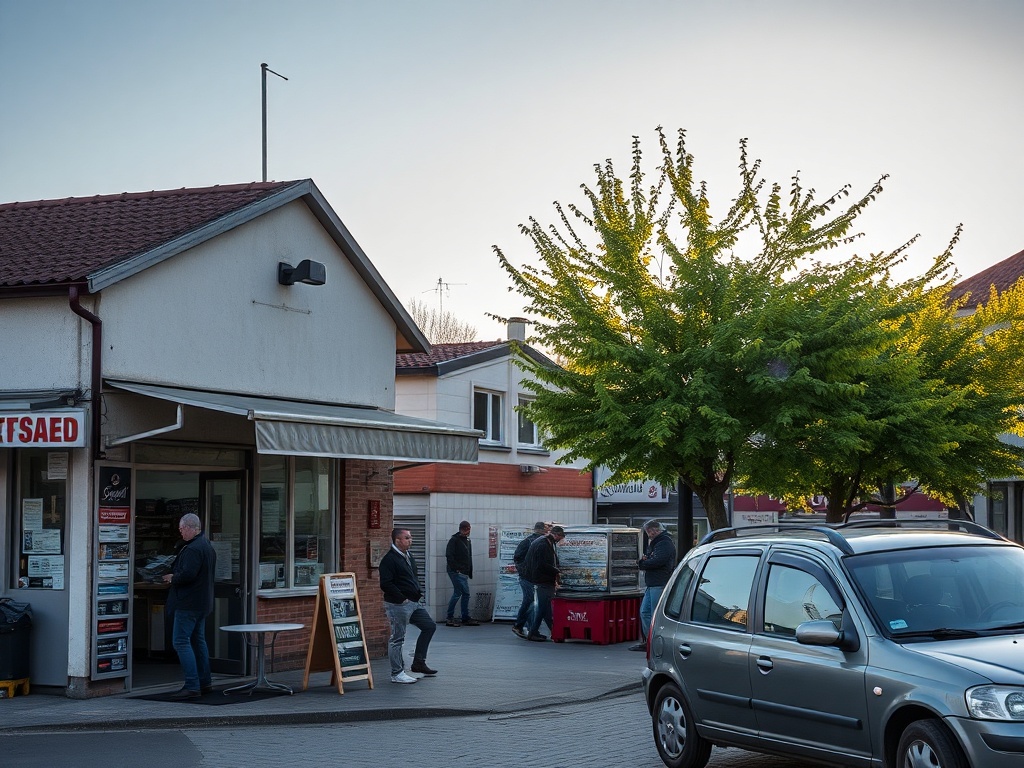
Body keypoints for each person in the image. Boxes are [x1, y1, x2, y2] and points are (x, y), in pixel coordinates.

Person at [161, 512, 216, 699]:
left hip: (188, 603)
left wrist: (172, 577)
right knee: (198, 641)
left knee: (181, 641)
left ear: (192, 528)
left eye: (182, 528)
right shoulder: (206, 546)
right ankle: (205, 681)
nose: (180, 532)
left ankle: (192, 685)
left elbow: (189, 574)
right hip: (202, 602)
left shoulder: (193, 549)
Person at [379, 527, 437, 683]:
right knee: (397, 638)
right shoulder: (389, 560)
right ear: (398, 540)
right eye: (407, 538)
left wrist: (417, 593)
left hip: (415, 603)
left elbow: (412, 577)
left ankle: (418, 662)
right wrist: (402, 598)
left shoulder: (408, 556)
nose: (411, 540)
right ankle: (397, 673)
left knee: (429, 626)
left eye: (410, 537)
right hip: (398, 604)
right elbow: (386, 583)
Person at [629, 520, 676, 651]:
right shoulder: (659, 543)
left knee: (653, 613)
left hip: (659, 582)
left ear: (654, 530)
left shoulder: (663, 543)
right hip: (653, 583)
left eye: (648, 532)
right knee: (645, 612)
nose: (648, 534)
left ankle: (655, 641)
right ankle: (649, 640)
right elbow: (654, 558)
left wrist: (642, 563)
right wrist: (647, 560)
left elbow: (658, 560)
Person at [524, 525, 565, 642]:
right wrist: (556, 571)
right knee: (542, 607)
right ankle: (532, 632)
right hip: (542, 579)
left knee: (546, 607)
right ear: (556, 534)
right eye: (560, 537)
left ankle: (554, 631)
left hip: (542, 579)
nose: (560, 540)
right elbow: (541, 564)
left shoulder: (544, 542)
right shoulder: (543, 544)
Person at [511, 521, 548, 639]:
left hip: (530, 577)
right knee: (530, 601)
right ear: (542, 530)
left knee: (532, 602)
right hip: (529, 577)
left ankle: (530, 627)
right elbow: (518, 557)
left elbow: (517, 557)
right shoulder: (533, 542)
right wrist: (525, 571)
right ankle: (521, 625)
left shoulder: (530, 541)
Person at [444, 520, 479, 627]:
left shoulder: (466, 540)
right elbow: (449, 556)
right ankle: (451, 617)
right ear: (462, 529)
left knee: (462, 593)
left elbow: (468, 557)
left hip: (462, 571)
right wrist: (456, 569)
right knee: (459, 593)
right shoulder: (455, 540)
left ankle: (463, 617)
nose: (468, 531)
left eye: (468, 529)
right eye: (466, 529)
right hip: (457, 572)